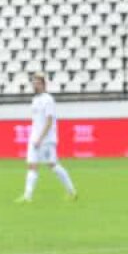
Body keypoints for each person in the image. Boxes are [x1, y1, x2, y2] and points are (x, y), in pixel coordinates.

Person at [17, 72, 76, 203]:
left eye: (37, 83)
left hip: (46, 139)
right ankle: (27, 196)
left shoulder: (48, 99)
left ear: (43, 84)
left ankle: (71, 191)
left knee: (53, 165)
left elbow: (49, 121)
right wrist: (34, 137)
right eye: (33, 82)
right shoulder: (35, 100)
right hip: (34, 138)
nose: (34, 85)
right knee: (32, 165)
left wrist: (41, 138)